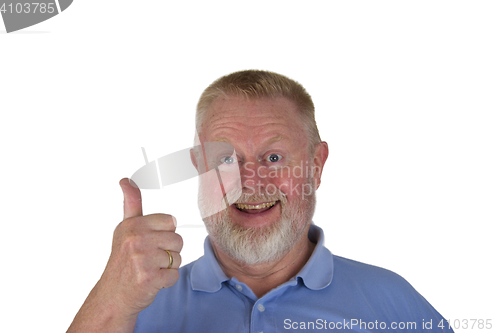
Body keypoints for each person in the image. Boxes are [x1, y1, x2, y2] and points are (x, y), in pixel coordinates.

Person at [67, 70, 453, 332]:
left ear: (316, 165)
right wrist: (110, 300)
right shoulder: (133, 305)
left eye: (273, 158)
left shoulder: (392, 303)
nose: (250, 182)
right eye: (225, 159)